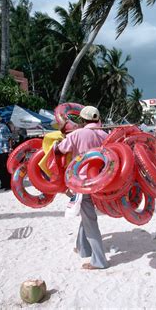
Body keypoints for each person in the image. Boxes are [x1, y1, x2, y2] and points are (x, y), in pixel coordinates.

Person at [54, 106, 110, 270]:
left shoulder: (78, 134)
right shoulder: (105, 135)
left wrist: (56, 143)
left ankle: (99, 261)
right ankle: (83, 248)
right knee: (86, 215)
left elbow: (60, 149)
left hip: (83, 183)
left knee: (90, 220)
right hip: (101, 182)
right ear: (97, 119)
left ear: (82, 120)